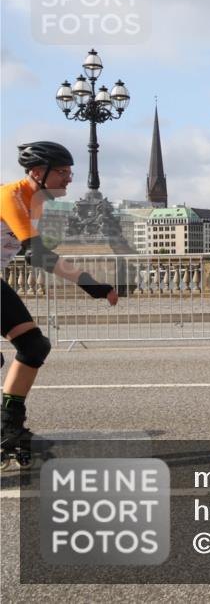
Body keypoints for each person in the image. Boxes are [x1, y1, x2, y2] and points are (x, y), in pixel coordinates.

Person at [1, 141, 118, 467]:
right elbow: (37, 254)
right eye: (63, 172)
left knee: (33, 346)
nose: (69, 178)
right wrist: (90, 284)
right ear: (38, 173)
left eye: (70, 171)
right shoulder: (10, 196)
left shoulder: (36, 203)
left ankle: (8, 427)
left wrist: (92, 285)